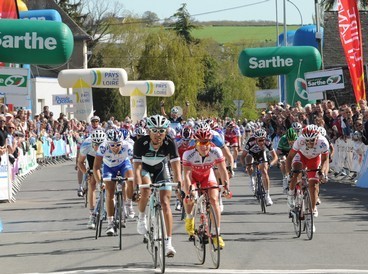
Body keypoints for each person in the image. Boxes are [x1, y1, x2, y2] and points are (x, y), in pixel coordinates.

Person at [132, 115, 181, 257]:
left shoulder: (170, 143)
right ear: (149, 131)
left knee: (165, 203)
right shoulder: (140, 143)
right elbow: (136, 168)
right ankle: (141, 218)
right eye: (154, 130)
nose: (158, 134)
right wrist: (137, 186)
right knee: (146, 189)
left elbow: (176, 168)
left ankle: (168, 243)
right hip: (145, 168)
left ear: (166, 131)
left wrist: (179, 185)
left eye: (161, 131)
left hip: (161, 168)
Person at [182, 127, 230, 249]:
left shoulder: (216, 151)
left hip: (207, 176)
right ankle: (189, 218)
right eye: (200, 143)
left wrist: (226, 187)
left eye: (206, 143)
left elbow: (223, 171)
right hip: (192, 177)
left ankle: (216, 234)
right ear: (196, 144)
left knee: (214, 200)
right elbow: (186, 175)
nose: (204, 146)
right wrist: (189, 191)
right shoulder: (188, 154)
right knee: (190, 198)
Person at [285, 124, 329, 224]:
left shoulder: (323, 142)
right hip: (301, 156)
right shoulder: (300, 140)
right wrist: (288, 173)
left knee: (313, 184)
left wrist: (323, 173)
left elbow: (325, 160)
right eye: (307, 141)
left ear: (317, 138)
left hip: (314, 159)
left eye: (312, 140)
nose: (309, 143)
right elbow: (289, 158)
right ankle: (291, 195)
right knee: (296, 172)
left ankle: (311, 211)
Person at [93, 129, 134, 236]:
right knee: (109, 193)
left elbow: (135, 164)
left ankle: (128, 203)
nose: (115, 147)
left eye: (118, 145)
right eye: (112, 145)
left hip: (124, 164)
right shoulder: (103, 147)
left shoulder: (128, 146)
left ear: (122, 142)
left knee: (131, 179)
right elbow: (96, 167)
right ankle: (110, 223)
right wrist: (99, 182)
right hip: (109, 167)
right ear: (108, 143)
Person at [240, 128, 278, 206]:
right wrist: (245, 166)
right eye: (259, 140)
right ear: (255, 139)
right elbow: (242, 156)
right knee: (248, 159)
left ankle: (267, 196)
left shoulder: (267, 142)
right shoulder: (250, 142)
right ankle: (251, 179)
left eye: (263, 140)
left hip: (262, 154)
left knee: (264, 171)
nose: (262, 142)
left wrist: (270, 164)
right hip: (252, 154)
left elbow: (275, 157)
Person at [77, 129, 106, 229]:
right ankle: (92, 214)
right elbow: (80, 162)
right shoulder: (86, 144)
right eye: (96, 144)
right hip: (91, 157)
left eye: (100, 144)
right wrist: (86, 173)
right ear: (92, 142)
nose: (98, 146)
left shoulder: (108, 144)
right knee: (92, 183)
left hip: (105, 158)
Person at [277, 128, 298, 193]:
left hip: (293, 151)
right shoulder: (283, 139)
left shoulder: (298, 139)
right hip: (284, 151)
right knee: (284, 162)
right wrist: (279, 159)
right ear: (287, 138)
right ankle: (285, 177)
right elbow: (278, 151)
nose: (291, 142)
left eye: (293, 141)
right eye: (290, 141)